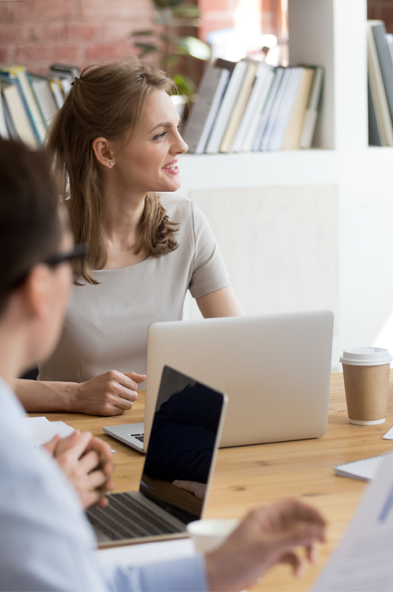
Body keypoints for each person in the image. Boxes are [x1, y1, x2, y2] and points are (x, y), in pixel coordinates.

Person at [0, 137, 326, 591]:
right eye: (68, 258)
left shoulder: (19, 463)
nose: (181, 144)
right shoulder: (17, 475)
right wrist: (41, 498)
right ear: (39, 288)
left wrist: (216, 568)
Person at [15, 56, 244, 417]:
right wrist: (74, 396)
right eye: (160, 134)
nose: (181, 145)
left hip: (162, 433)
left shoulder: (188, 223)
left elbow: (242, 347)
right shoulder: (42, 235)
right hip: (73, 445)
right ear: (106, 152)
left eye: (177, 128)